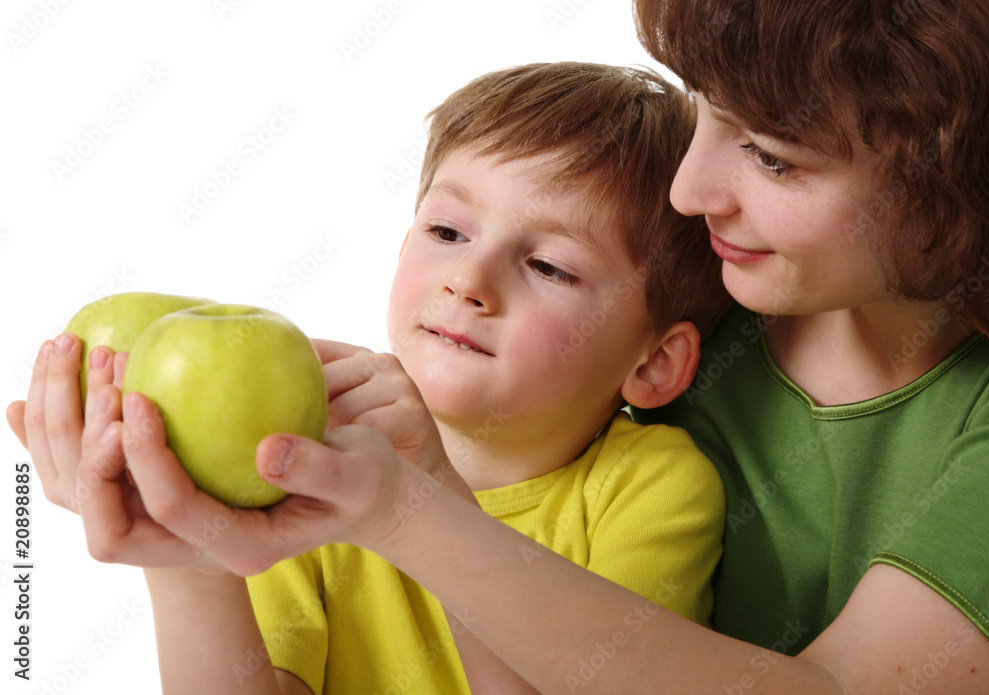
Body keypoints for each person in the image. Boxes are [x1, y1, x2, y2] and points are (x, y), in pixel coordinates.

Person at [13, 0, 989, 692]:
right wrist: (185, 549)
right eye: (700, 106)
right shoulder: (699, 275)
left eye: (774, 155)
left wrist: (410, 509)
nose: (689, 192)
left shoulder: (652, 446)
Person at [7, 61, 732, 694]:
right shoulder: (300, 463)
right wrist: (189, 561)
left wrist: (430, 498)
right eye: (448, 232)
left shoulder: (655, 487)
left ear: (655, 361)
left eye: (548, 266)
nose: (467, 281)